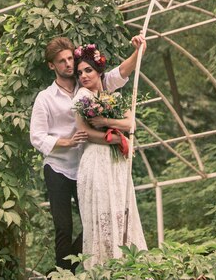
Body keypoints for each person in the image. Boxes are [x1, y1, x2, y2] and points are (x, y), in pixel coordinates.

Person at [29, 34, 146, 272]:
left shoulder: (88, 83)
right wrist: (67, 141)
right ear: (52, 65)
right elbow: (37, 137)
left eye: (70, 58)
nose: (68, 64)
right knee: (63, 227)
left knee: (94, 221)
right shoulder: (45, 98)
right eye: (61, 61)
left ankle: (68, 270)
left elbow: (120, 73)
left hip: (87, 166)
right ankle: (61, 274)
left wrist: (139, 51)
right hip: (59, 167)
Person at [72, 43, 147, 269]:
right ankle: (103, 265)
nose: (83, 76)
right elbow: (84, 132)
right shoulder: (81, 98)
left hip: (115, 160)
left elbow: (130, 122)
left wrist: (107, 122)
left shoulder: (108, 95)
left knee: (119, 207)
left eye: (88, 71)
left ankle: (127, 261)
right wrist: (112, 138)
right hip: (95, 159)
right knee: (101, 208)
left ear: (99, 72)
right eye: (80, 73)